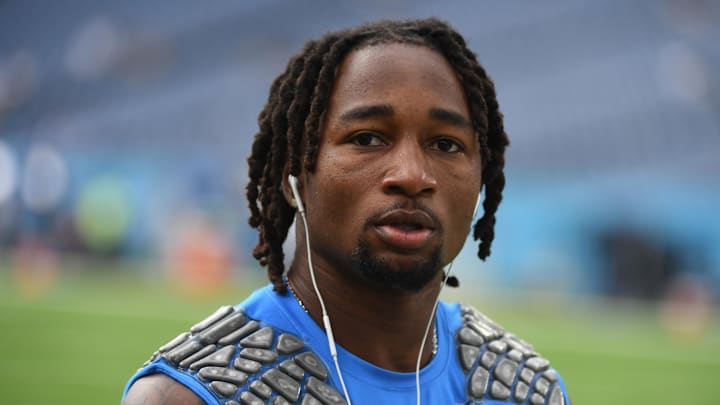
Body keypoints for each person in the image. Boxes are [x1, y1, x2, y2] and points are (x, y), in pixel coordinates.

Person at [122, 18, 571, 405]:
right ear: (293, 176)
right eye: (367, 138)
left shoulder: (524, 387)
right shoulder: (195, 394)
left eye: (446, 145)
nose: (413, 175)